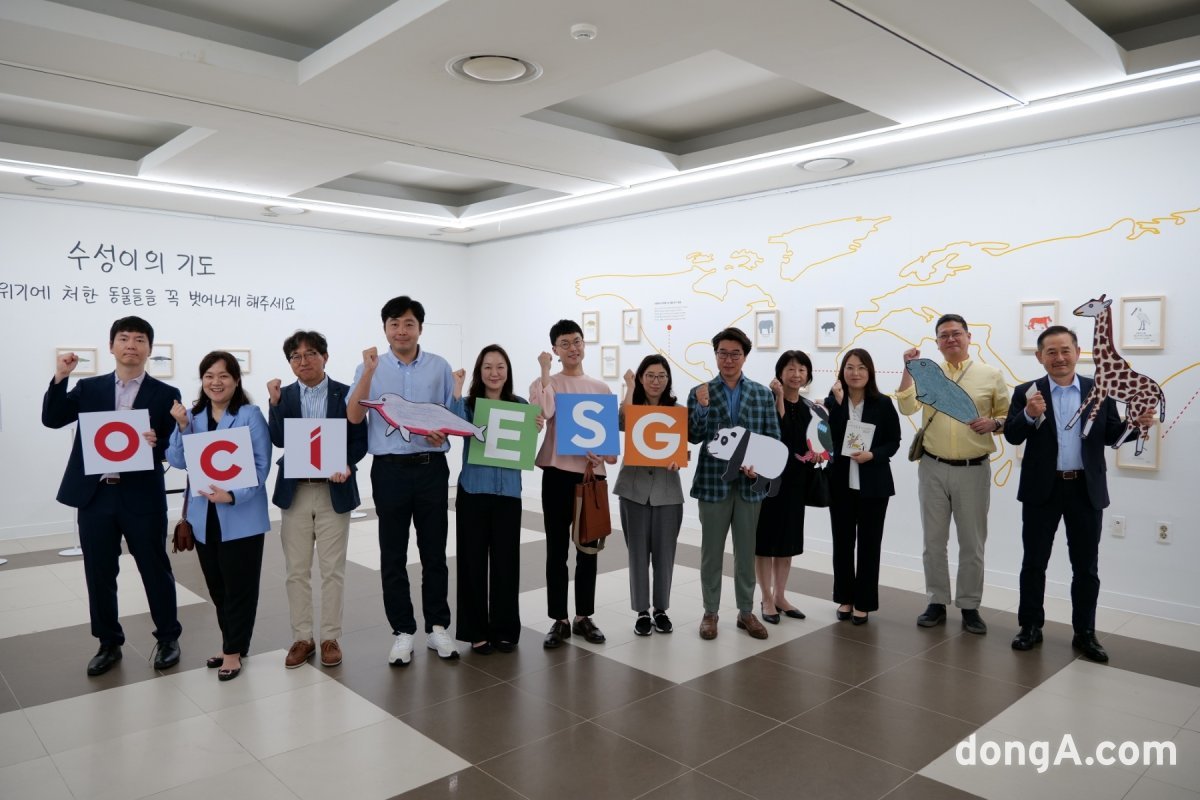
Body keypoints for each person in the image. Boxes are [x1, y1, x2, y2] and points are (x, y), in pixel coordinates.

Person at [1004, 325, 1157, 662]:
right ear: (1040, 357)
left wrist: (1137, 426)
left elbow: (1110, 435)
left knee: (1086, 567)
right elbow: (1012, 437)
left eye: (1065, 350)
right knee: (1034, 563)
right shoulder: (1026, 392)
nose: (1059, 358)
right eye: (1051, 352)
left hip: (1085, 490)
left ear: (1077, 352)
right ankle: (1030, 626)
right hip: (1041, 490)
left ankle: (1085, 633)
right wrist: (1029, 415)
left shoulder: (1097, 390)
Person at [41, 316, 183, 676]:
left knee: (155, 568)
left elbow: (173, 445)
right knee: (99, 572)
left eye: (139, 339)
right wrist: (61, 377)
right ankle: (108, 643)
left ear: (149, 349)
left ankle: (168, 637)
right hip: (96, 496)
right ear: (111, 346)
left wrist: (159, 444)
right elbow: (52, 418)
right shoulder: (89, 389)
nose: (131, 345)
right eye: (124, 338)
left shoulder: (166, 394)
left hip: (141, 497)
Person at [346, 295, 458, 666]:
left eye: (408, 323)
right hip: (389, 470)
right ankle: (402, 631)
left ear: (420, 328)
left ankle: (438, 626)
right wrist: (367, 373)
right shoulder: (371, 367)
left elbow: (448, 415)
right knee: (392, 553)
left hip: (430, 469)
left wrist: (443, 434)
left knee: (434, 552)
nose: (401, 331)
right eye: (394, 324)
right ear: (385, 329)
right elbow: (353, 415)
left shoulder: (439, 367)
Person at [897, 313, 1009, 634]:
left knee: (972, 543)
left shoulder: (990, 375)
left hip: (973, 469)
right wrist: (907, 370)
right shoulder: (928, 373)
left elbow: (1005, 414)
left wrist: (995, 424)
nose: (950, 339)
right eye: (944, 335)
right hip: (932, 467)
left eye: (956, 334)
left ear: (969, 337)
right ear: (937, 342)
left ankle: (970, 605)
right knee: (933, 541)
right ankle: (936, 600)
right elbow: (906, 407)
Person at [167, 351, 271, 681]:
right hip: (203, 517)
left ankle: (232, 651)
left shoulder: (249, 414)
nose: (216, 382)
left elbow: (261, 465)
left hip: (240, 515)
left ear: (236, 380)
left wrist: (232, 495)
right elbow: (177, 460)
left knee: (240, 587)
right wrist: (182, 426)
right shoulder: (193, 416)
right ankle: (234, 643)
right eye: (209, 376)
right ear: (202, 380)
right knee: (217, 588)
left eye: (223, 375)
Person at [267, 330, 368, 669]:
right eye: (296, 356)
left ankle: (329, 637)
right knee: (296, 570)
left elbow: (359, 441)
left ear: (325, 356)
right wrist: (275, 403)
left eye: (310, 353)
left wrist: (345, 464)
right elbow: (279, 439)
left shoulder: (345, 393)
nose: (303, 361)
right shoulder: (285, 395)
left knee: (332, 570)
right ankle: (302, 637)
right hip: (295, 492)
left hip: (333, 492)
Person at [687, 327, 781, 641]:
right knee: (711, 553)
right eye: (723, 353)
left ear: (745, 356)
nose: (728, 359)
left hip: (749, 485)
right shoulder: (700, 391)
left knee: (746, 551)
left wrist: (762, 468)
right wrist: (700, 408)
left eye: (735, 354)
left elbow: (772, 438)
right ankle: (710, 612)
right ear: (715, 355)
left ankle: (746, 612)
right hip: (713, 483)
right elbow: (693, 436)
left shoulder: (761, 393)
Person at [448, 345, 542, 654]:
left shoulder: (520, 404)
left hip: (508, 496)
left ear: (508, 371)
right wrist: (457, 389)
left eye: (500, 367)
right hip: (474, 492)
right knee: (472, 563)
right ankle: (476, 631)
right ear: (480, 372)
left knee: (506, 564)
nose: (494, 373)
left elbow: (524, 444)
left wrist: (535, 427)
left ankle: (504, 629)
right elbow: (451, 424)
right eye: (488, 367)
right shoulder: (469, 405)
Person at [529, 319, 616, 648]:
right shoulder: (545, 382)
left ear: (584, 344)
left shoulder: (601, 388)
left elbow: (609, 451)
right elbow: (545, 412)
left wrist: (601, 457)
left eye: (576, 341)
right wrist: (545, 371)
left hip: (589, 478)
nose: (572, 348)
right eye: (564, 343)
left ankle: (583, 616)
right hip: (556, 475)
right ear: (554, 350)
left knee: (588, 552)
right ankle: (559, 619)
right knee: (555, 550)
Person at [825, 349, 901, 624]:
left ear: (870, 372)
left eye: (861, 368)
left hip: (874, 485)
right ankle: (845, 598)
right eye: (849, 367)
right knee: (842, 544)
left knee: (869, 545)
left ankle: (864, 602)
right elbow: (827, 438)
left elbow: (894, 441)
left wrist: (873, 455)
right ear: (842, 371)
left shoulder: (882, 403)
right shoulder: (832, 401)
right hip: (841, 485)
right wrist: (836, 403)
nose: (855, 373)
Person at [615, 355, 684, 637]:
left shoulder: (677, 411)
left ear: (668, 380)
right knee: (638, 555)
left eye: (662, 376)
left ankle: (661, 609)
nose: (656, 381)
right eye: (650, 375)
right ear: (641, 377)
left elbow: (683, 449)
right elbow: (621, 420)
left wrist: (679, 460)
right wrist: (629, 386)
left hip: (668, 492)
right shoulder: (633, 406)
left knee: (665, 555)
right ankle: (642, 611)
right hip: (634, 491)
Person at [755, 350, 816, 624]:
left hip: (795, 483)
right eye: (791, 369)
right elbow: (780, 434)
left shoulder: (810, 408)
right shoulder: (766, 402)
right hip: (769, 482)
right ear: (780, 373)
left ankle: (781, 595)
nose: (796, 374)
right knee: (765, 543)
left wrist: (817, 454)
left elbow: (810, 443)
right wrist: (779, 397)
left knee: (788, 543)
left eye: (802, 369)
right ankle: (766, 597)